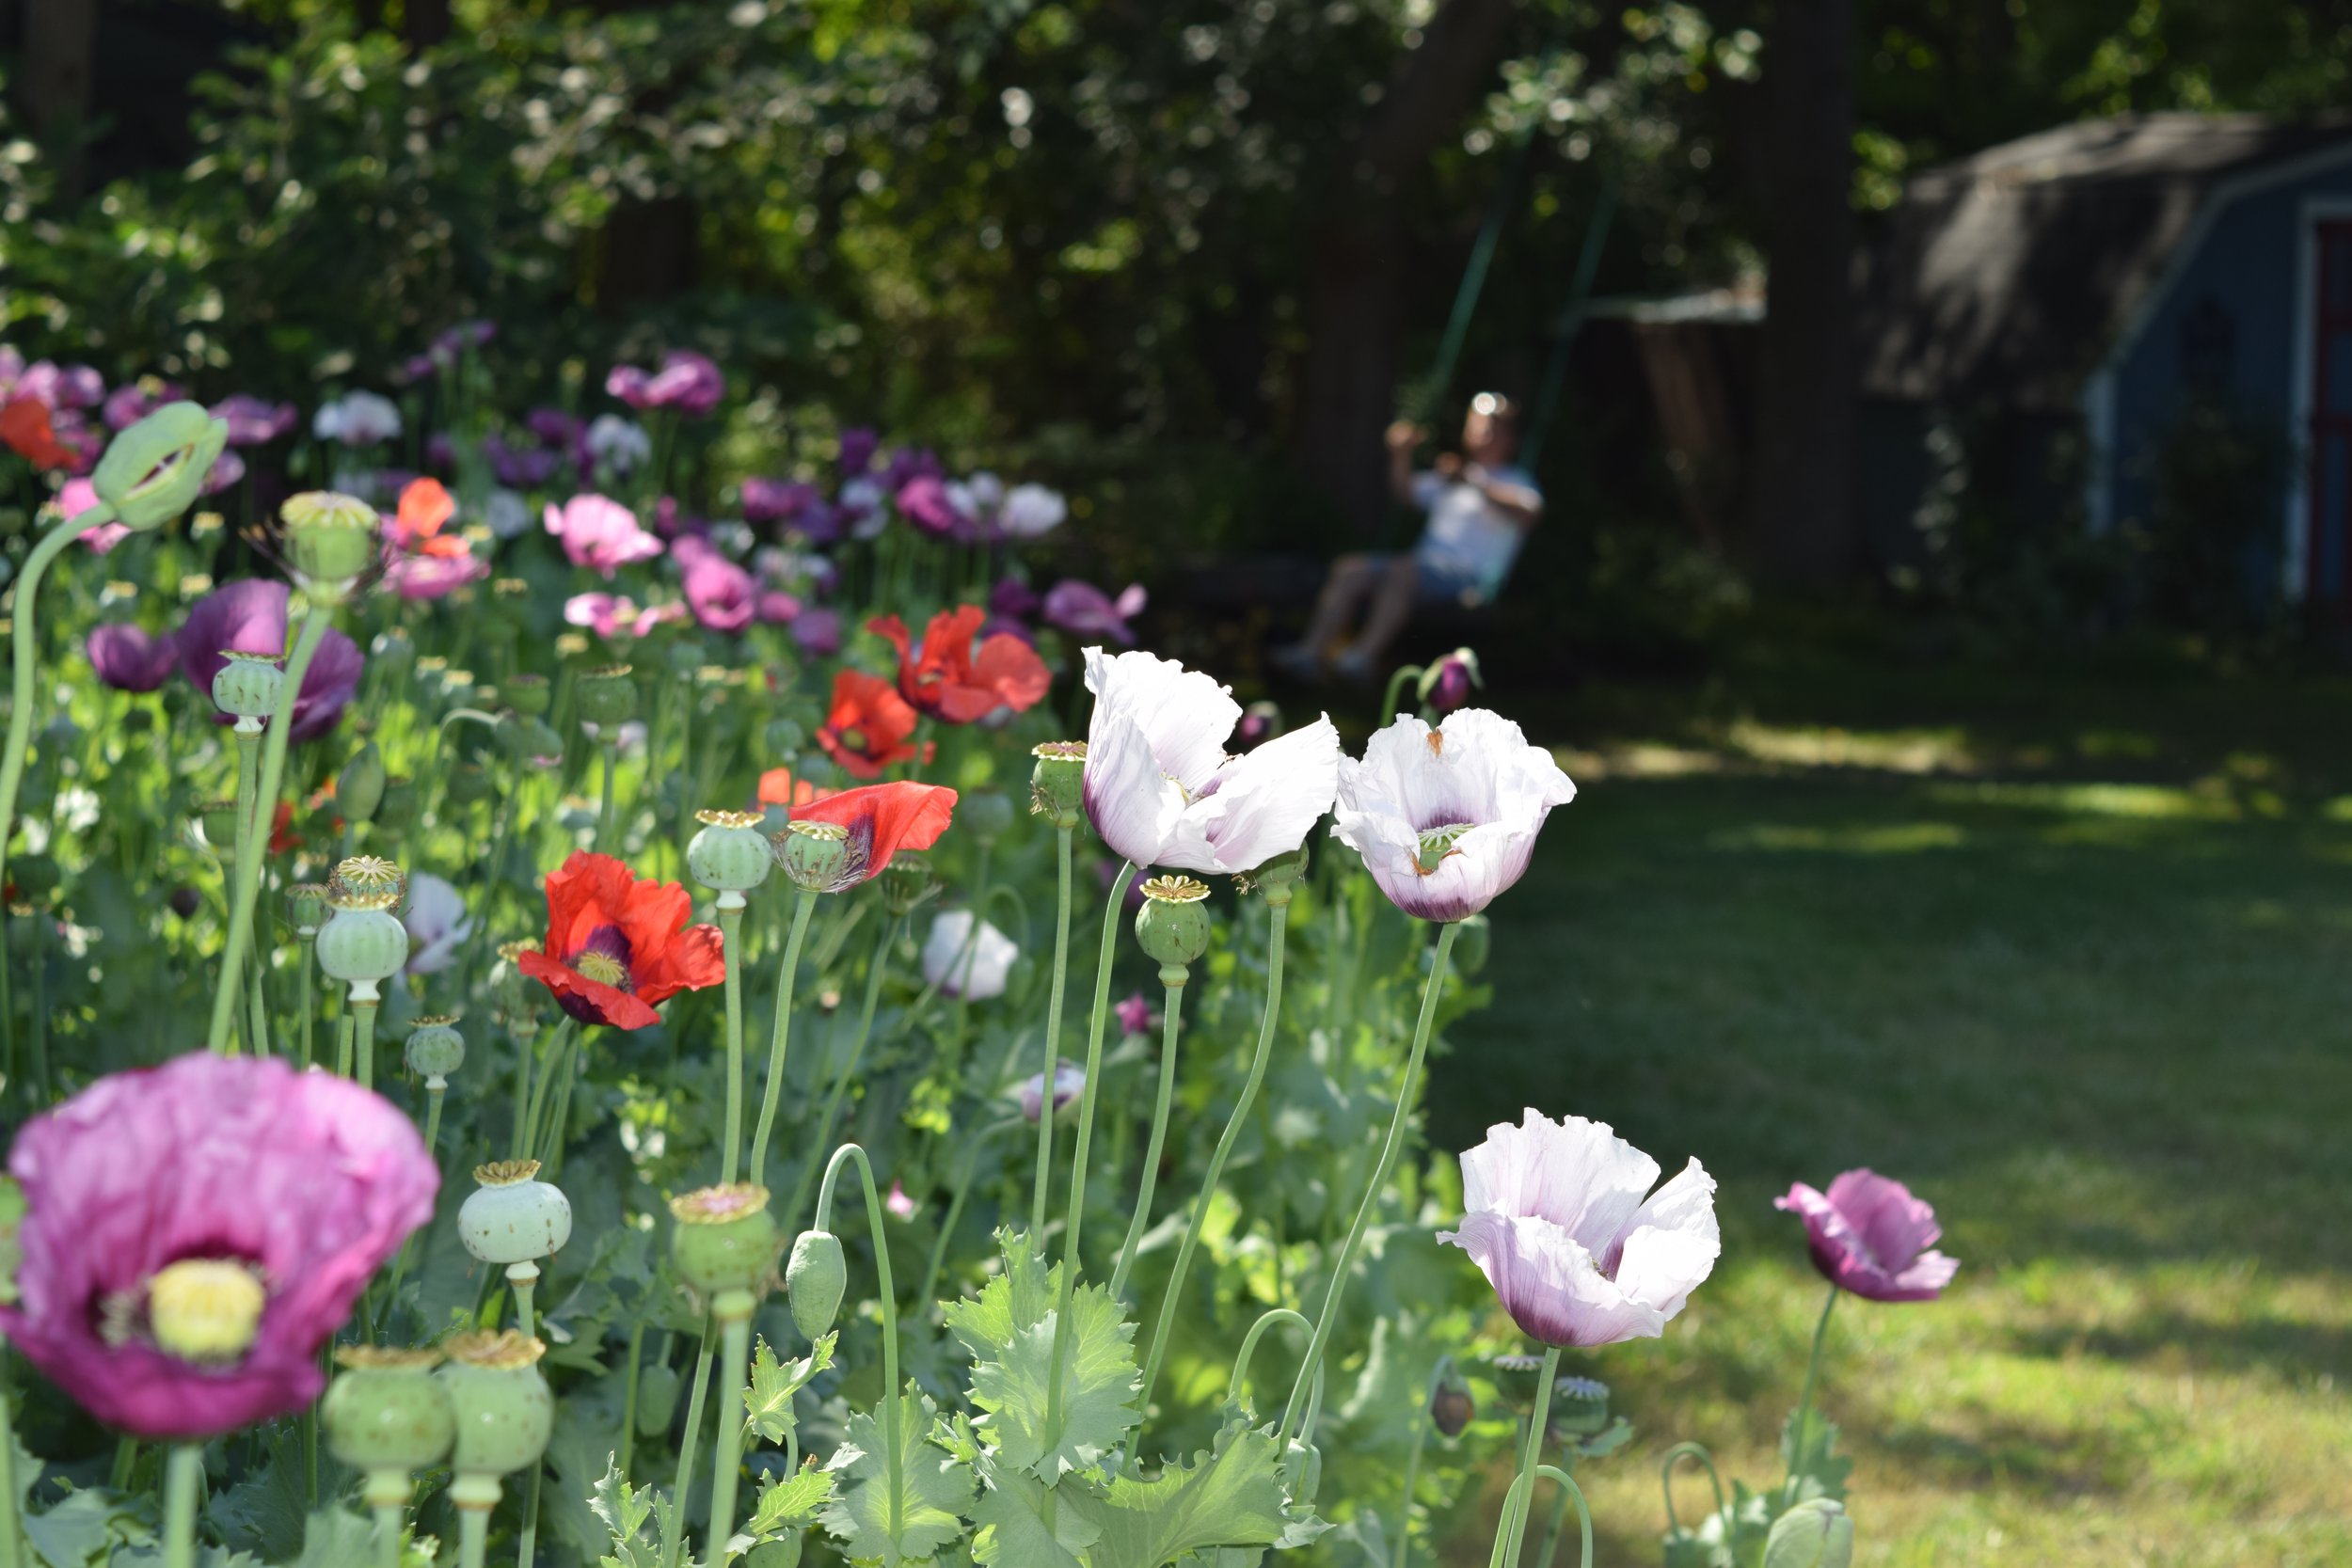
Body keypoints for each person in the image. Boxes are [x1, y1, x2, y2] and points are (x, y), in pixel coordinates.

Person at [1274, 392, 1542, 681]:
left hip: (1467, 580)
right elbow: (1406, 493)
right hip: (1419, 568)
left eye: (1494, 426)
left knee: (1403, 571)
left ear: (1510, 437)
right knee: (1349, 569)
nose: (1484, 432)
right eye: (1478, 423)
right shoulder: (1451, 476)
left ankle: (1361, 657)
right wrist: (1400, 454)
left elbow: (1530, 512)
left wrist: (1475, 482)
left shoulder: (1515, 480)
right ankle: (1310, 653)